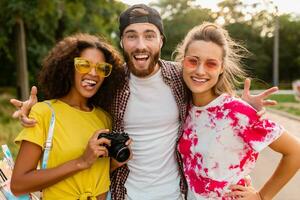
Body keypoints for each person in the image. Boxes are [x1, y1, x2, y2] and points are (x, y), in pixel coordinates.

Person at [10, 4, 279, 200]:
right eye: (131, 35)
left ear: (161, 39)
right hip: (122, 194)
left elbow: (206, 85)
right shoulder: (110, 82)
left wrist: (242, 106)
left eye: (149, 35)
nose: (141, 44)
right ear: (123, 42)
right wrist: (33, 107)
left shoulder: (180, 75)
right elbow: (77, 94)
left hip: (176, 194)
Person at [175, 22, 300, 199]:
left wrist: (261, 196)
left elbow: (296, 151)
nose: (200, 70)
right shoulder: (184, 107)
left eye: (211, 64)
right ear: (183, 61)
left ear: (221, 68)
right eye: (193, 61)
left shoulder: (237, 112)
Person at [10, 33, 126, 200]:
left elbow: (92, 175)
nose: (93, 73)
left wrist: (114, 163)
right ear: (67, 67)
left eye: (102, 68)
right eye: (84, 65)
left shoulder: (105, 118)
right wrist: (81, 161)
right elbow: (18, 184)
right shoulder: (44, 113)